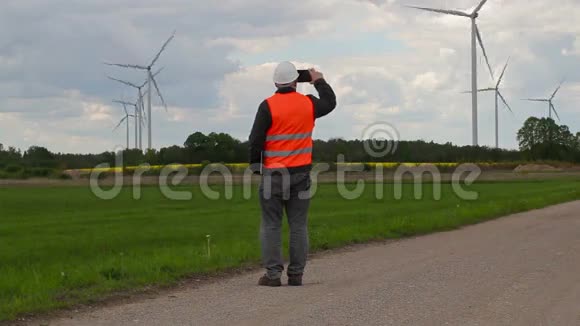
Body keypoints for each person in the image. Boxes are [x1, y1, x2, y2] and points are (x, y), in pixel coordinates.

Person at [249, 61, 337, 286]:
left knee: (271, 225)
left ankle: (273, 276)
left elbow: (256, 140)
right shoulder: (308, 103)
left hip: (274, 175)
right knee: (298, 225)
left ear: (276, 82)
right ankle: (296, 275)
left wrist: (256, 166)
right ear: (296, 82)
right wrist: (318, 80)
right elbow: (330, 103)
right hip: (301, 174)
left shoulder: (267, 105)